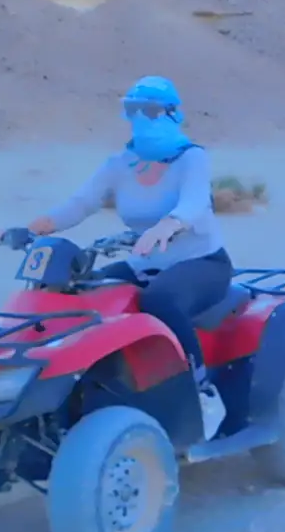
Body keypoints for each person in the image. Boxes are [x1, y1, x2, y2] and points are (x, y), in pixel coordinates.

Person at [13, 75, 233, 403]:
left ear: (173, 113)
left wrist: (167, 225)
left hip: (201, 261)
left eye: (152, 110)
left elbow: (194, 203)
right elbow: (81, 204)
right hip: (145, 261)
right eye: (133, 110)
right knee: (84, 292)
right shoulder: (120, 165)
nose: (142, 119)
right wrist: (35, 227)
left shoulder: (191, 158)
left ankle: (197, 387)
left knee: (160, 300)